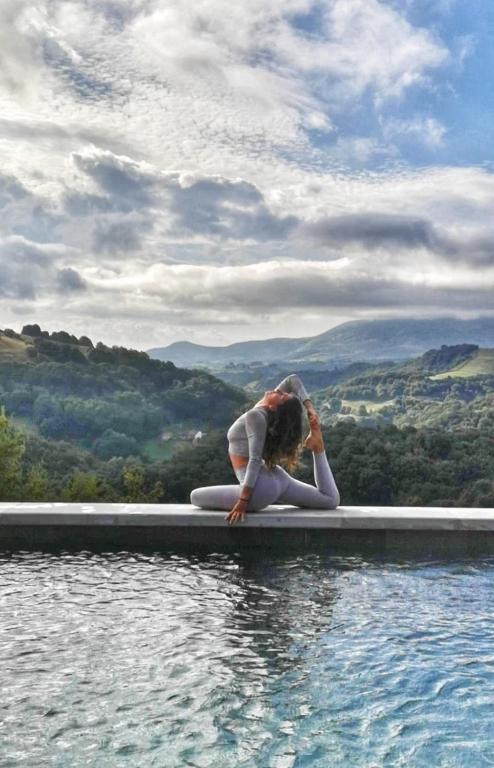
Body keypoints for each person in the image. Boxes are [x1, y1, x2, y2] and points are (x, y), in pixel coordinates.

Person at [190, 373, 340, 525]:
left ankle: (317, 447)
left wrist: (243, 500)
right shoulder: (265, 407)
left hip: (258, 489)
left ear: (275, 408)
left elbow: (254, 460)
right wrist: (309, 408)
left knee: (194, 496)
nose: (280, 391)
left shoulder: (256, 416)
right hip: (277, 478)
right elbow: (292, 379)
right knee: (330, 499)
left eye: (282, 396)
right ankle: (318, 449)